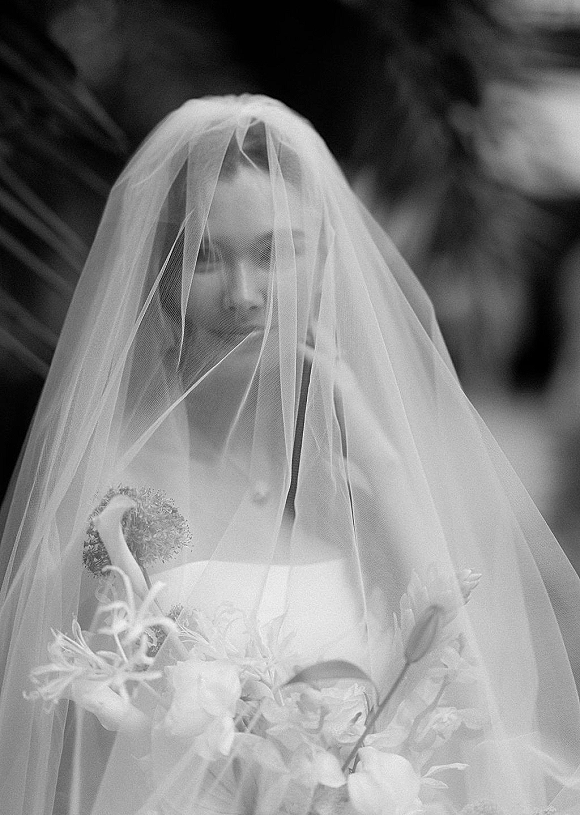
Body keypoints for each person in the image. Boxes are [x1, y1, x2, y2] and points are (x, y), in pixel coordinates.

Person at [1, 95, 579, 815]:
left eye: (277, 253)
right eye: (207, 257)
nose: (245, 295)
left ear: (324, 263)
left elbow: (470, 694)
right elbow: (71, 755)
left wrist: (387, 467)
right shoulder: (122, 504)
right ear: (163, 279)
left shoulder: (353, 484)